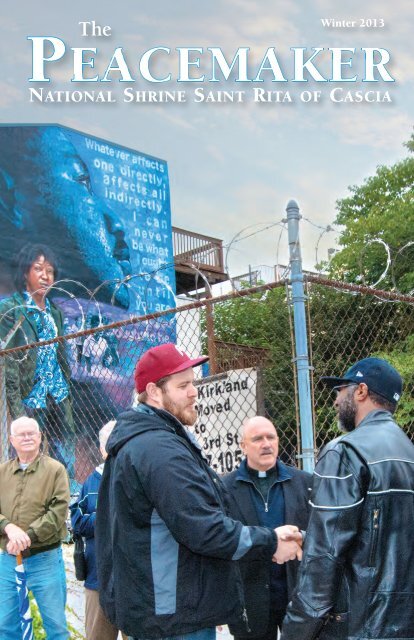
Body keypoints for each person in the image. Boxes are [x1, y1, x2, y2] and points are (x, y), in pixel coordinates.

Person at [96, 343, 303, 640]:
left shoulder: (146, 442)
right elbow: (203, 527)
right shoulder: (159, 449)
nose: (194, 392)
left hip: (165, 611)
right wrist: (270, 542)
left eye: (193, 382)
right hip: (175, 618)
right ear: (154, 391)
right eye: (184, 385)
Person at [281, 357, 414, 640]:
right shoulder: (409, 452)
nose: (335, 401)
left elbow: (323, 561)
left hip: (357, 625)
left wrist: (295, 631)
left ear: (361, 391)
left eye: (340, 390)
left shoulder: (345, 452)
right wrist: (311, 535)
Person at [0, 125, 132, 309]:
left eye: (49, 270)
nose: (117, 224)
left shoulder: (56, 316)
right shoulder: (8, 313)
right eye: (81, 180)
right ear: (12, 200)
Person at [222, 416, 312, 640]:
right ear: (243, 446)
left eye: (271, 437)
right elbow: (221, 538)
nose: (266, 444)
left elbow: (323, 533)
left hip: (298, 596)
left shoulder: (305, 483)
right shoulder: (224, 489)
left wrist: (301, 537)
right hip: (250, 601)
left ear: (278, 441)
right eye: (257, 439)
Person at [0, 243, 75, 474]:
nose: (45, 276)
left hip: (58, 392)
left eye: (50, 271)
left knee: (66, 444)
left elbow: (61, 353)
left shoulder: (55, 312)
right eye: (38, 268)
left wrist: (68, 385)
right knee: (30, 452)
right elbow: (8, 363)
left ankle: (67, 490)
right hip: (30, 395)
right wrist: (16, 411)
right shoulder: (12, 308)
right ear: (25, 273)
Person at [0, 416, 70, 639]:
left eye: (32, 433)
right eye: (21, 434)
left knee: (56, 627)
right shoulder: (1, 473)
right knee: (5, 626)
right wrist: (8, 527)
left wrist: (26, 536)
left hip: (45, 559)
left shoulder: (55, 470)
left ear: (40, 437)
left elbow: (58, 511)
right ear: (12, 440)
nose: (27, 437)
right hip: (8, 561)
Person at [71, 420, 127, 640]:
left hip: (133, 579)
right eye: (109, 444)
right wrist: (107, 517)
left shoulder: (137, 475)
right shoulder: (90, 482)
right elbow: (77, 522)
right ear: (101, 449)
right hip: (97, 579)